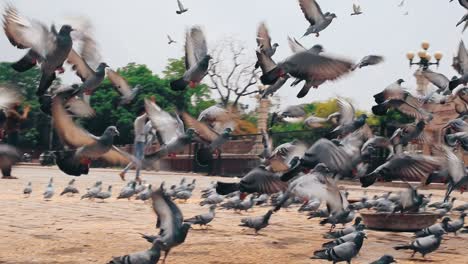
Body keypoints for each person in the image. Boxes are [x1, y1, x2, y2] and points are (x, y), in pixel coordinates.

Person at [119, 107, 149, 182]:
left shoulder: (139, 120)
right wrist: (152, 104)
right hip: (139, 141)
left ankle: (124, 172)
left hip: (140, 140)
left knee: (138, 160)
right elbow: (148, 113)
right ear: (142, 113)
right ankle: (135, 176)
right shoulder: (140, 119)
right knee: (138, 160)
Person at [1, 103, 30, 179]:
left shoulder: (10, 111)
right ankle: (6, 174)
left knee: (8, 154)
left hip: (11, 134)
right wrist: (26, 111)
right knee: (9, 154)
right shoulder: (11, 111)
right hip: (12, 134)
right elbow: (22, 119)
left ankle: (6, 174)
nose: (19, 102)